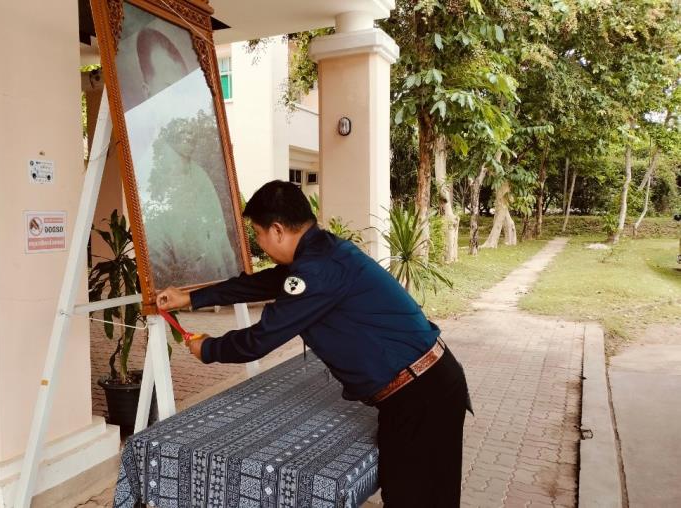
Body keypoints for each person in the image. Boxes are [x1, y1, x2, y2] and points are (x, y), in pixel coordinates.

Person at [157, 180, 472, 507]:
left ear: (277, 230)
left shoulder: (317, 269)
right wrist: (191, 298)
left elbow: (260, 339)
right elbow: (261, 284)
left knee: (414, 498)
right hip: (428, 384)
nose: (260, 243)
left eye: (258, 234)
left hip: (420, 396)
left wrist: (209, 348)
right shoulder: (320, 252)